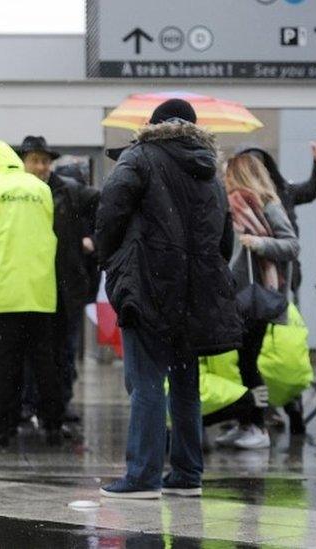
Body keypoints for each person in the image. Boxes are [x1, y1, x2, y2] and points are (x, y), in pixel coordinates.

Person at [96, 99, 242, 499]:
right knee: (184, 383)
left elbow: (111, 210)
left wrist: (111, 258)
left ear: (153, 125)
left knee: (145, 381)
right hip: (195, 293)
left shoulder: (140, 157)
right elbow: (224, 239)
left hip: (149, 284)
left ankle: (143, 476)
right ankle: (187, 473)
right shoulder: (211, 172)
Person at [0, 139, 63, 448]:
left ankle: (3, 427)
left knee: (6, 364)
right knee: (45, 361)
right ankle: (54, 425)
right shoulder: (39, 189)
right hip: (40, 290)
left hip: (4, 292)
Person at [219, 153, 299, 450]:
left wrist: (259, 243)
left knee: (249, 362)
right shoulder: (234, 207)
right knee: (241, 362)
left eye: (228, 172)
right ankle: (245, 422)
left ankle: (258, 425)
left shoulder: (268, 204)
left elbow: (291, 245)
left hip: (258, 296)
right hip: (239, 296)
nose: (224, 177)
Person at [19, 136, 99, 420]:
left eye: (44, 161)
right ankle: (30, 403)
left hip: (66, 286)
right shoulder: (17, 194)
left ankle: (59, 406)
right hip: (31, 286)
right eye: (34, 161)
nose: (40, 167)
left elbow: (106, 211)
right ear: (23, 164)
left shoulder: (71, 192)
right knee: (33, 352)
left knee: (64, 351)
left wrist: (94, 241)